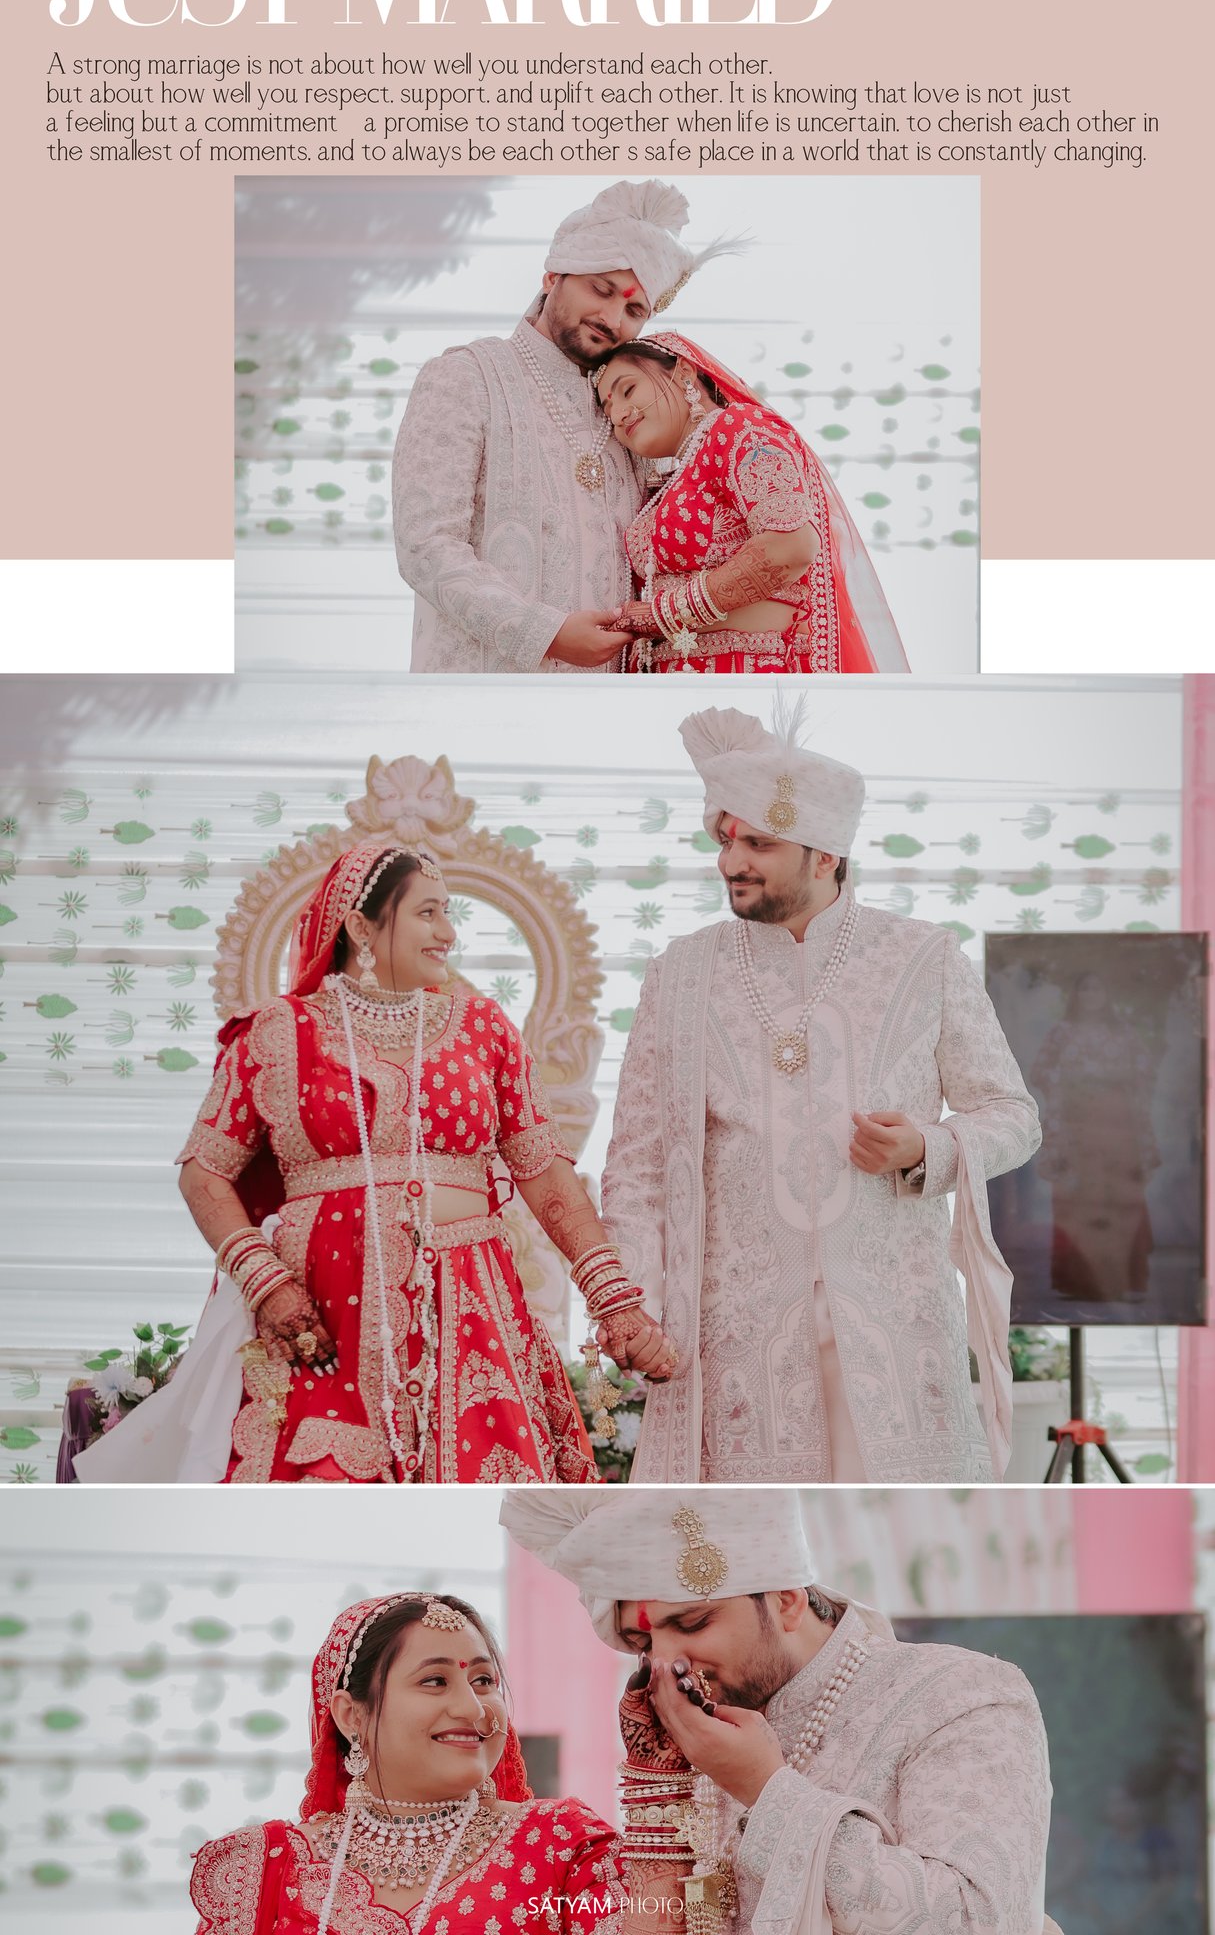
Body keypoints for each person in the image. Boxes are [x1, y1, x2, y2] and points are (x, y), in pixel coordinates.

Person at [76, 840, 673, 1486]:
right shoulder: (278, 1032)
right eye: (427, 913)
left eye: (447, 913)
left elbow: (544, 1172)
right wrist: (266, 1283)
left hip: (469, 1309)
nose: (447, 933)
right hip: (325, 1316)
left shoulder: (484, 1028)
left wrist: (612, 1298)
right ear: (362, 927)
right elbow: (204, 1170)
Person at [600, 702, 1042, 1485]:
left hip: (895, 1325)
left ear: (825, 855)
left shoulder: (921, 958)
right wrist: (634, 1304)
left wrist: (927, 1148)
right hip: (738, 1334)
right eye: (724, 840)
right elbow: (636, 1164)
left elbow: (1012, 1117)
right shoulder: (681, 973)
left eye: (758, 844)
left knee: (896, 1527)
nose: (731, 861)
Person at [501, 1488, 1062, 1935]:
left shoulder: (961, 1695)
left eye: (693, 1623)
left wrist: (766, 1790)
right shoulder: (697, 1729)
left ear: (787, 1601)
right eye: (642, 1644)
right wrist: (657, 1790)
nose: (667, 1664)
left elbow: (977, 1920)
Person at [393, 179, 736, 673]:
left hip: (606, 705)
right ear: (553, 275)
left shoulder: (629, 418)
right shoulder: (467, 377)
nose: (612, 318)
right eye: (601, 289)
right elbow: (426, 546)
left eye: (634, 310)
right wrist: (545, 635)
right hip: (477, 698)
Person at [191, 1589, 628, 1933]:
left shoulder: (561, 1846)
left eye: (483, 1680)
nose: (473, 1708)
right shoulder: (267, 1869)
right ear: (352, 1715)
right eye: (435, 1681)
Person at [594, 335, 908, 673]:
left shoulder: (739, 427)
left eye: (628, 390)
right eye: (608, 412)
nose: (619, 415)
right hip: (676, 683)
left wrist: (667, 613)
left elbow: (791, 546)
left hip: (750, 675)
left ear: (684, 372)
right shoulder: (666, 485)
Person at [1031, 971, 1158, 1302]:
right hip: (1076, 1128)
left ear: (1107, 994)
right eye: (1085, 988)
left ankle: (1124, 1281)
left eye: (1098, 988)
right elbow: (1040, 1071)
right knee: (1078, 1199)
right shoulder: (1062, 1032)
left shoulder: (1123, 1033)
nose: (1091, 994)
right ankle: (1078, 1282)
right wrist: (1073, 1081)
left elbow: (1145, 1071)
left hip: (1116, 1128)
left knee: (1118, 1198)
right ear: (1076, 995)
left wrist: (1111, 1079)